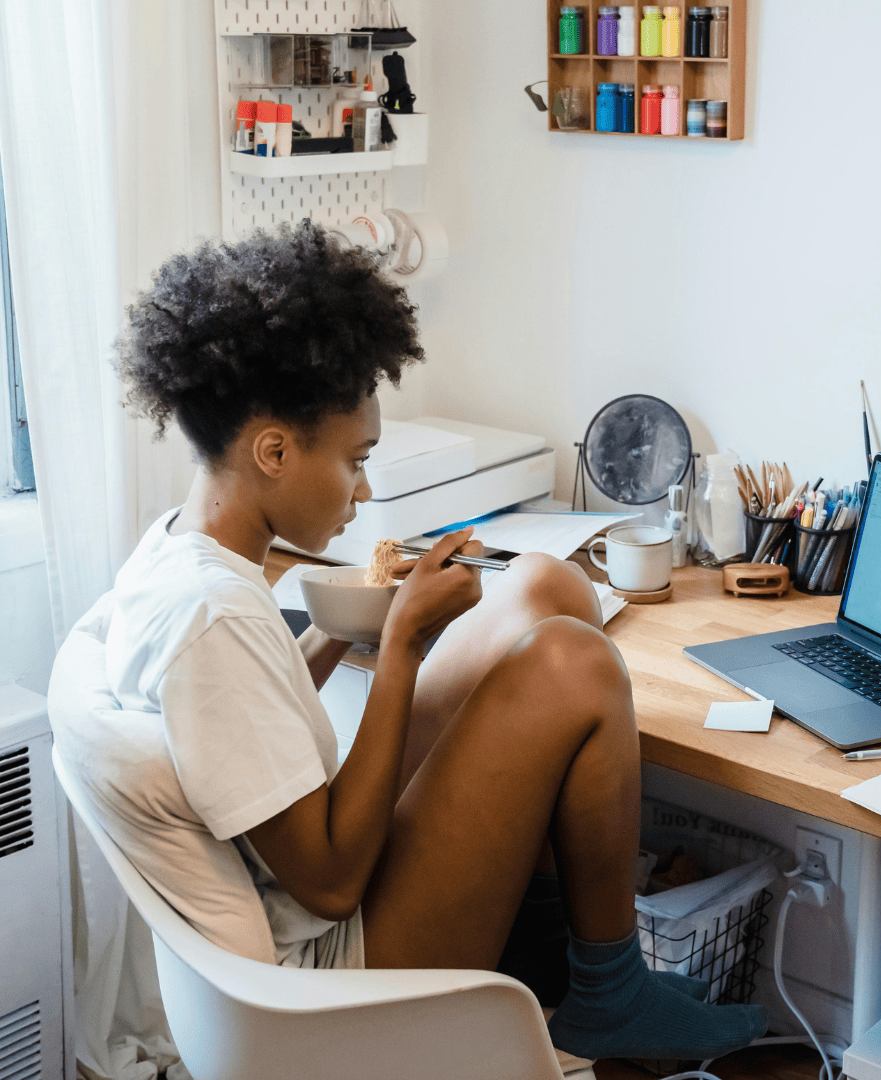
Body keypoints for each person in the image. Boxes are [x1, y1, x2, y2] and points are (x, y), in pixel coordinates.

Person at [80, 220, 766, 1061]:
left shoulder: (179, 556)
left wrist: (347, 628)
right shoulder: (213, 619)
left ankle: (559, 957)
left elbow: (243, 732)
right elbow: (329, 885)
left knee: (544, 584)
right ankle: (611, 992)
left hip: (332, 892)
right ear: (273, 451)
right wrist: (398, 649)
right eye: (355, 460)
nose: (365, 492)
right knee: (573, 665)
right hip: (335, 980)